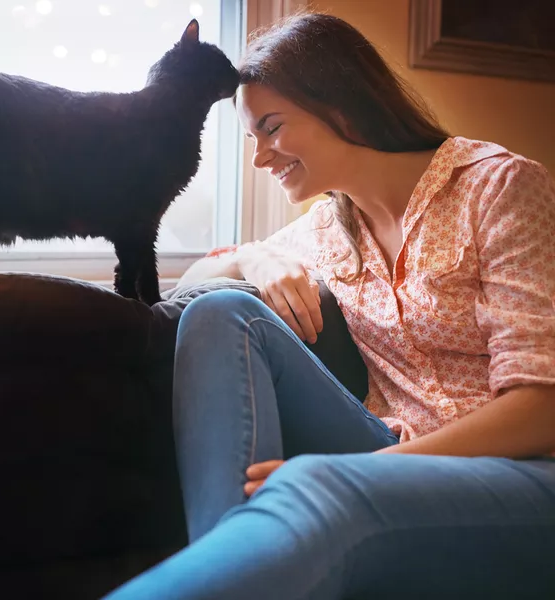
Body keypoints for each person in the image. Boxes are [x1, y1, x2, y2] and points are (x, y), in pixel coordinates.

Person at [102, 10, 555, 600]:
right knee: (220, 312)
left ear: (340, 105)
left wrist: (362, 471)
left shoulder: (497, 187)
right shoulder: (326, 229)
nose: (261, 158)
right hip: (390, 453)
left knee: (319, 487)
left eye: (272, 127)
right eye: (252, 138)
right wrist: (256, 259)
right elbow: (195, 281)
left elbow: (541, 409)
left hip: (524, 476)